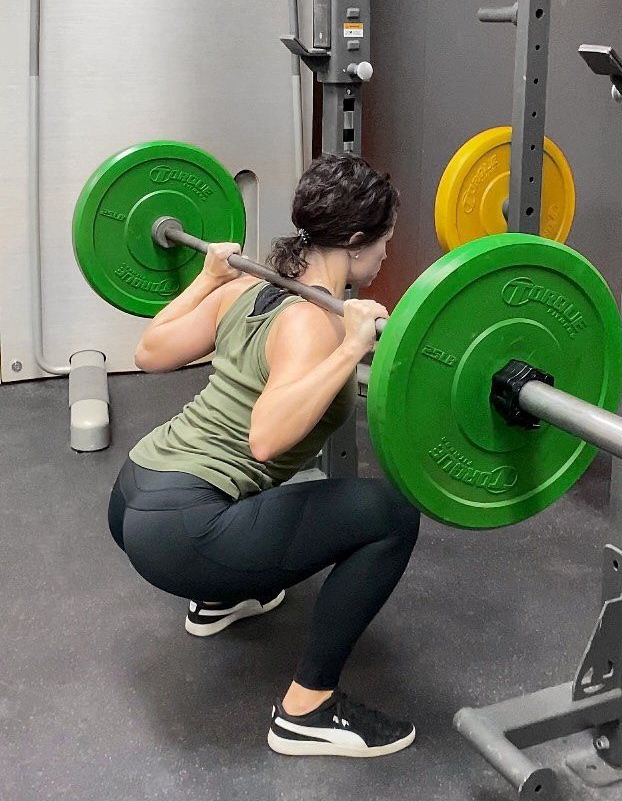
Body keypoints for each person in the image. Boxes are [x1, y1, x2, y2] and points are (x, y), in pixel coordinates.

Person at [108, 154, 420, 758]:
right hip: (183, 531)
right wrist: (350, 347)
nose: (385, 255)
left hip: (133, 493)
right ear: (355, 244)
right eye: (384, 242)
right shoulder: (314, 324)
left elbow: (150, 349)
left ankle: (221, 597)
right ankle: (309, 709)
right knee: (390, 515)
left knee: (272, 494)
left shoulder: (251, 286)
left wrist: (207, 278)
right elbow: (267, 440)